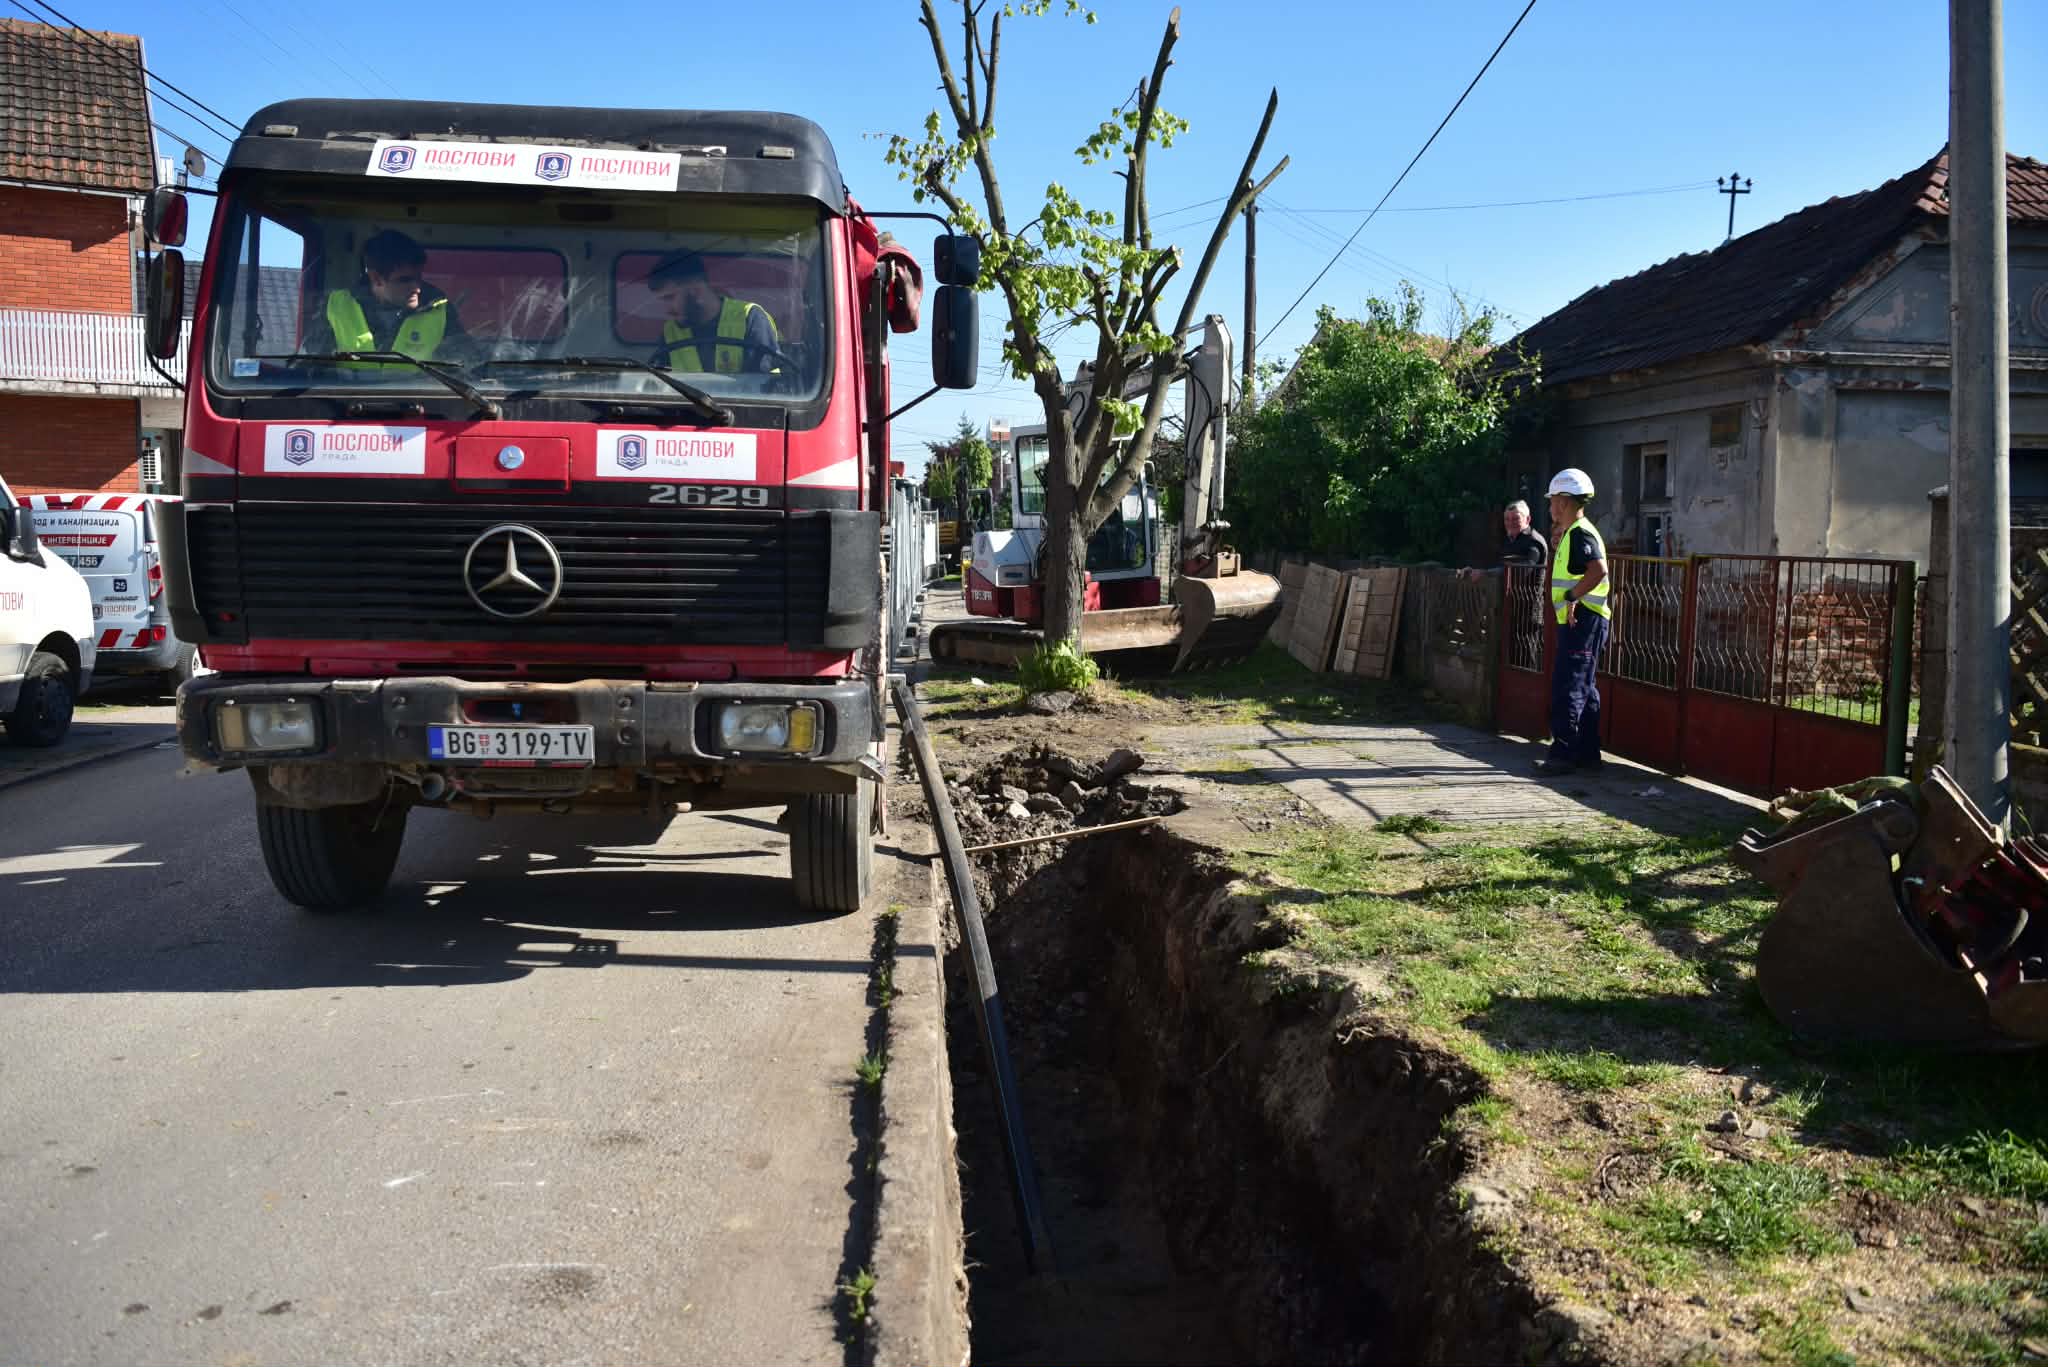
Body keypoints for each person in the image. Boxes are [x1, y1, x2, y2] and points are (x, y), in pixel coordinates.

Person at [1537, 467, 1610, 777]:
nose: (1550, 506)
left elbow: (1598, 571)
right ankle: (1588, 754)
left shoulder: (1580, 532)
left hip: (1583, 622)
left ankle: (1563, 755)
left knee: (1570, 684)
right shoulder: (1573, 533)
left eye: (1553, 500)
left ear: (1564, 501)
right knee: (1585, 686)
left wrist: (1571, 597)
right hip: (1583, 621)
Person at [307, 229, 465, 362]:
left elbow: (462, 362)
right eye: (405, 280)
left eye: (418, 278)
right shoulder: (334, 307)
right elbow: (311, 367)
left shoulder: (439, 308)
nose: (417, 289)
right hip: (347, 398)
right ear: (376, 278)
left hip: (421, 398)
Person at [645, 252, 780, 374]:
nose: (666, 309)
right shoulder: (671, 331)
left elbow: (765, 386)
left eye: (670, 298)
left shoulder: (749, 318)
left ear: (696, 291)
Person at [1460, 499, 1549, 580]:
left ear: (1528, 519)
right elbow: (1498, 566)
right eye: (1507, 519)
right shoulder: (1510, 539)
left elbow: (1522, 571)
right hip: (1505, 596)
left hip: (1528, 597)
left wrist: (1485, 573)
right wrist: (1473, 571)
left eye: (1515, 519)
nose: (1510, 523)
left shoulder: (1534, 542)